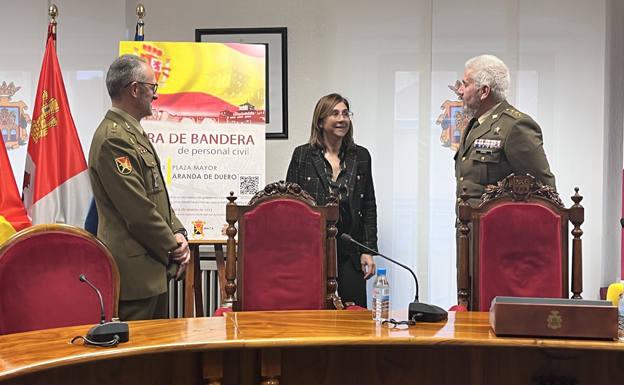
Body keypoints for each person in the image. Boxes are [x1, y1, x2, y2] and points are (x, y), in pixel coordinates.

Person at [88, 54, 190, 320]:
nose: (155, 96)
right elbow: (138, 211)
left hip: (150, 268)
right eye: (152, 87)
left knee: (156, 358)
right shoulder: (114, 139)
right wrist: (174, 247)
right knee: (137, 360)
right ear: (135, 89)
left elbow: (158, 198)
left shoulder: (131, 134)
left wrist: (178, 231)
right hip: (133, 277)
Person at [286, 93, 377, 308]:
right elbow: (290, 205)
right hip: (311, 250)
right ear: (320, 121)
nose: (342, 119)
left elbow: (369, 205)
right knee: (313, 315)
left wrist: (368, 250)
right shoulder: (303, 155)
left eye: (346, 113)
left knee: (354, 317)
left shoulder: (361, 156)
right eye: (335, 113)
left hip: (349, 248)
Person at [455, 54, 556, 205]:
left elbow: (545, 192)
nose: (460, 91)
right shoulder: (475, 123)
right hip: (469, 227)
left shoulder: (516, 126)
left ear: (484, 91)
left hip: (499, 227)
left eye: (466, 84)